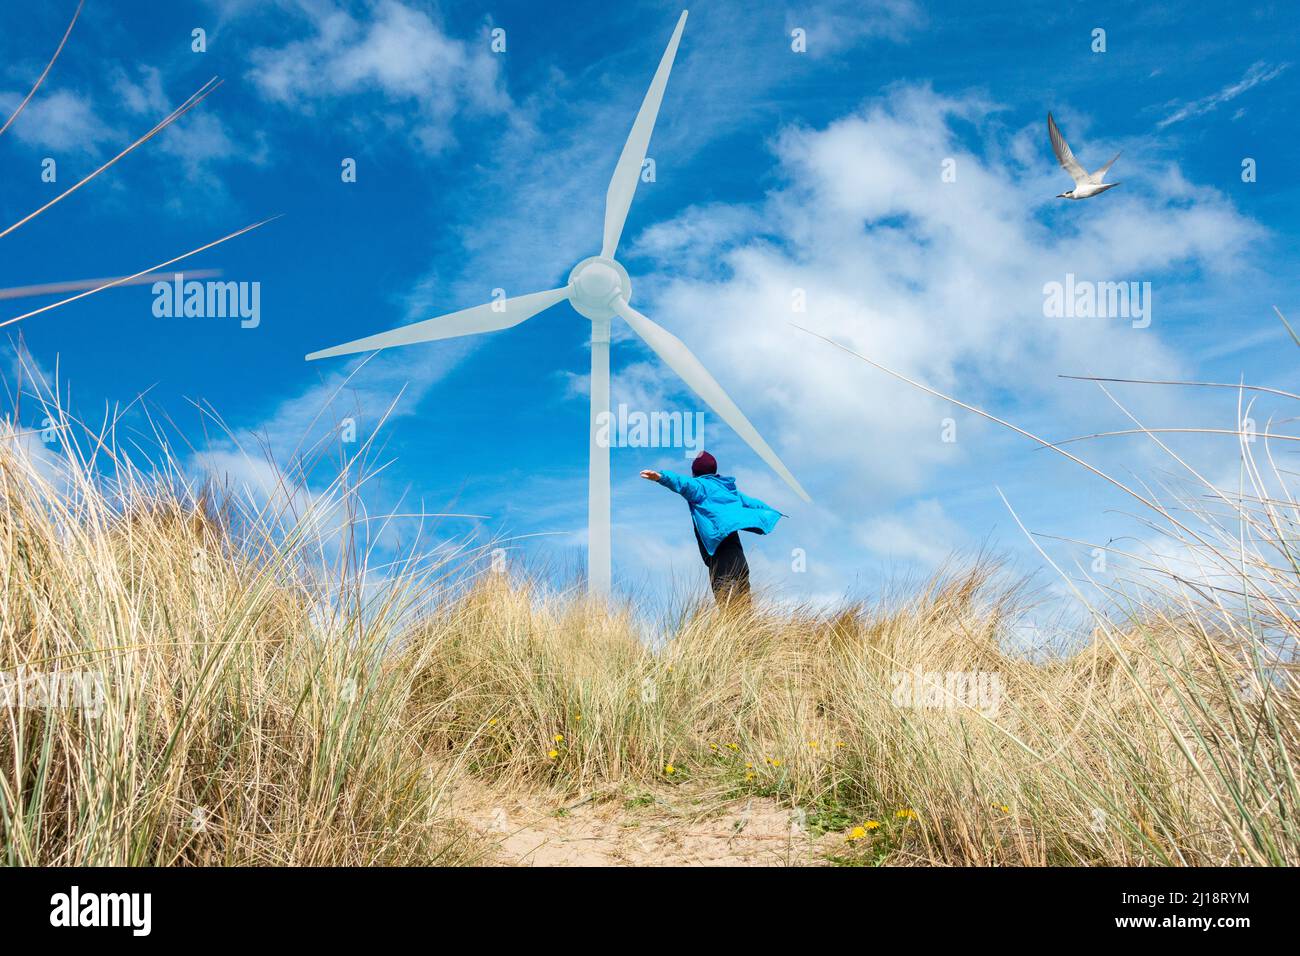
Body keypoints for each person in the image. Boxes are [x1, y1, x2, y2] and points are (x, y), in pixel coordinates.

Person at [640, 450, 783, 606]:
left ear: (695, 473)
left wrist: (661, 477)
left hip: (720, 558)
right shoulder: (728, 490)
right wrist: (773, 512)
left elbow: (684, 483)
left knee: (728, 610)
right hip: (739, 558)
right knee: (744, 611)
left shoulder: (701, 487)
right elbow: (753, 503)